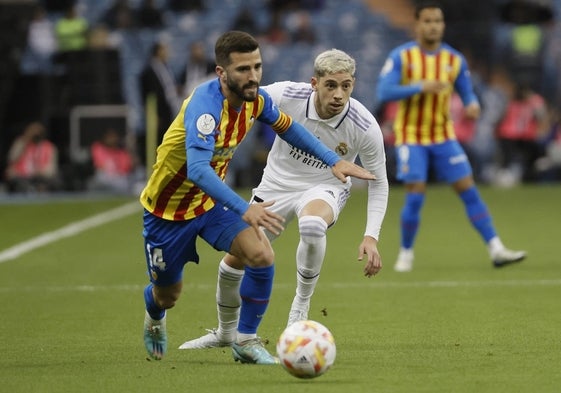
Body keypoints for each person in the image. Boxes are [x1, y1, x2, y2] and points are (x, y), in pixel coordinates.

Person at [139, 31, 375, 364]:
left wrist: (333, 159)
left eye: (257, 67)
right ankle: (154, 314)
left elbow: (289, 127)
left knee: (261, 254)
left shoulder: (256, 100)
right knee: (168, 295)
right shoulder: (206, 109)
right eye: (242, 70)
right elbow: (198, 171)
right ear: (222, 73)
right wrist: (244, 209)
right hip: (168, 212)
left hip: (210, 205)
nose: (252, 77)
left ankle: (245, 340)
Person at [375, 1, 526, 272]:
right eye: (428, 21)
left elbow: (467, 92)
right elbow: (384, 92)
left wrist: (472, 105)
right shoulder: (402, 56)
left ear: (443, 25)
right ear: (417, 24)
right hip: (412, 136)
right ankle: (406, 253)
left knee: (469, 191)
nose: (433, 26)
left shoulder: (454, 59)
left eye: (438, 21)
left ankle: (496, 248)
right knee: (416, 195)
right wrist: (421, 86)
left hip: (444, 136)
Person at [5, 121, 60, 193]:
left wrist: (41, 172)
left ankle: (40, 190)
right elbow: (12, 160)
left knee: (55, 181)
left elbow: (52, 167)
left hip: (40, 176)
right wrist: (25, 141)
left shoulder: (49, 147)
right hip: (22, 176)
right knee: (17, 181)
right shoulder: (21, 143)